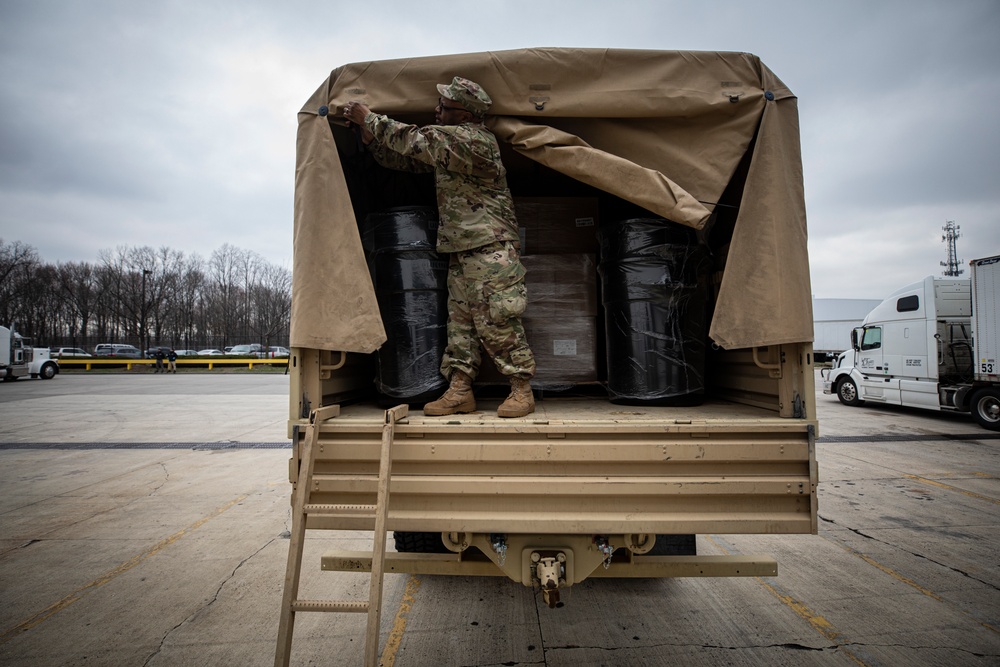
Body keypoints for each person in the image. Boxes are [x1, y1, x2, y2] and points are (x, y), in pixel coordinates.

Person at [343, 77, 536, 418]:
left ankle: (522, 389)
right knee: (460, 325)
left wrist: (369, 118)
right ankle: (460, 390)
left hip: (490, 249)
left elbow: (417, 141)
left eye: (444, 106)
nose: (437, 109)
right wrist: (372, 140)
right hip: (462, 248)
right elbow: (407, 160)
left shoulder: (474, 141)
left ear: (464, 115)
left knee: (497, 319)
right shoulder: (452, 148)